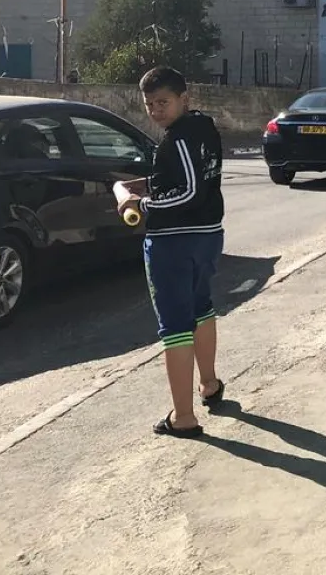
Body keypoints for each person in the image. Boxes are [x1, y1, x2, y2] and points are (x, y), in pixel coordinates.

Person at [116, 66, 226, 438]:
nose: (156, 111)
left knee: (175, 327)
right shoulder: (204, 130)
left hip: (175, 242)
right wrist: (144, 185)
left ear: (184, 98)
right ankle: (209, 383)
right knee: (202, 307)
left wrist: (143, 206)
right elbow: (182, 179)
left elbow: (190, 192)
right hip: (207, 237)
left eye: (163, 102)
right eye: (149, 104)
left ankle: (183, 418)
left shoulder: (179, 138)